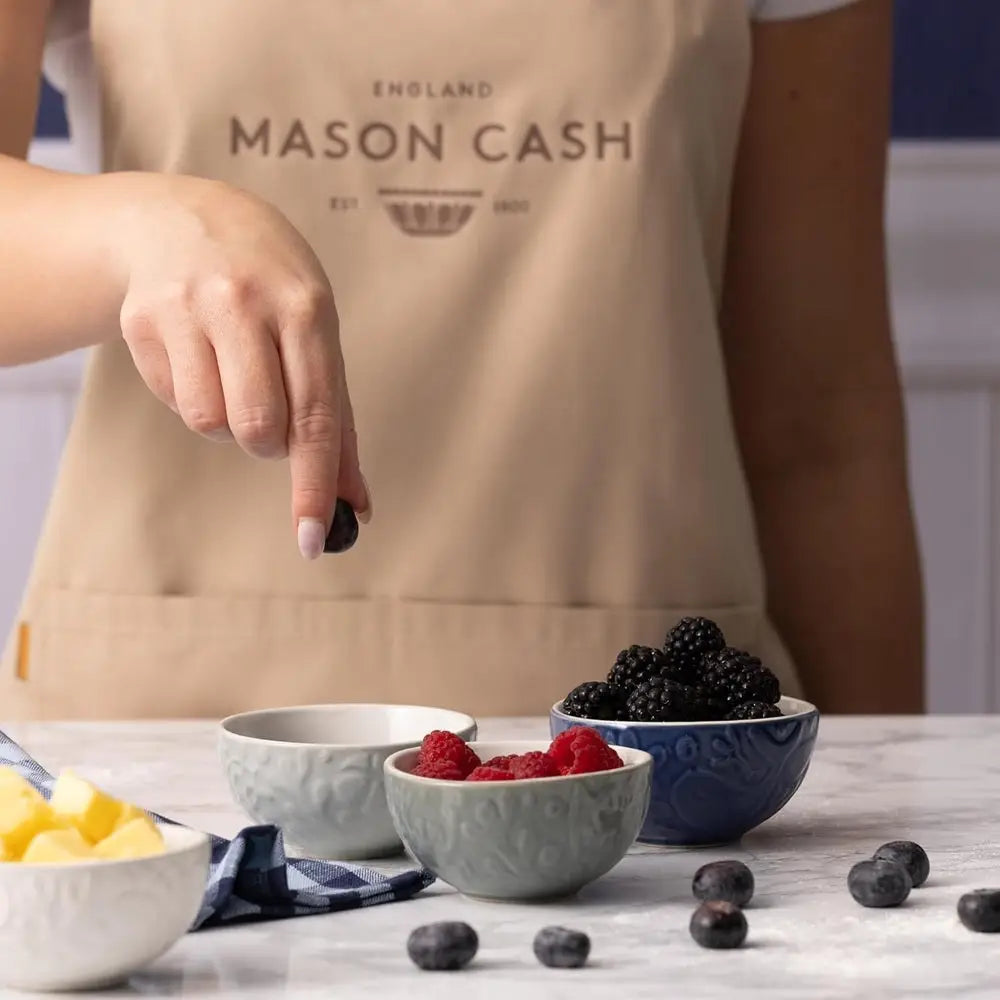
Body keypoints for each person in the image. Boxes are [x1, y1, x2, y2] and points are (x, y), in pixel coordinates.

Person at [0, 0, 923, 720]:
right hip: (159, 754)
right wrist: (148, 227)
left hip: (657, 753)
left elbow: (821, 427)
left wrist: (897, 818)